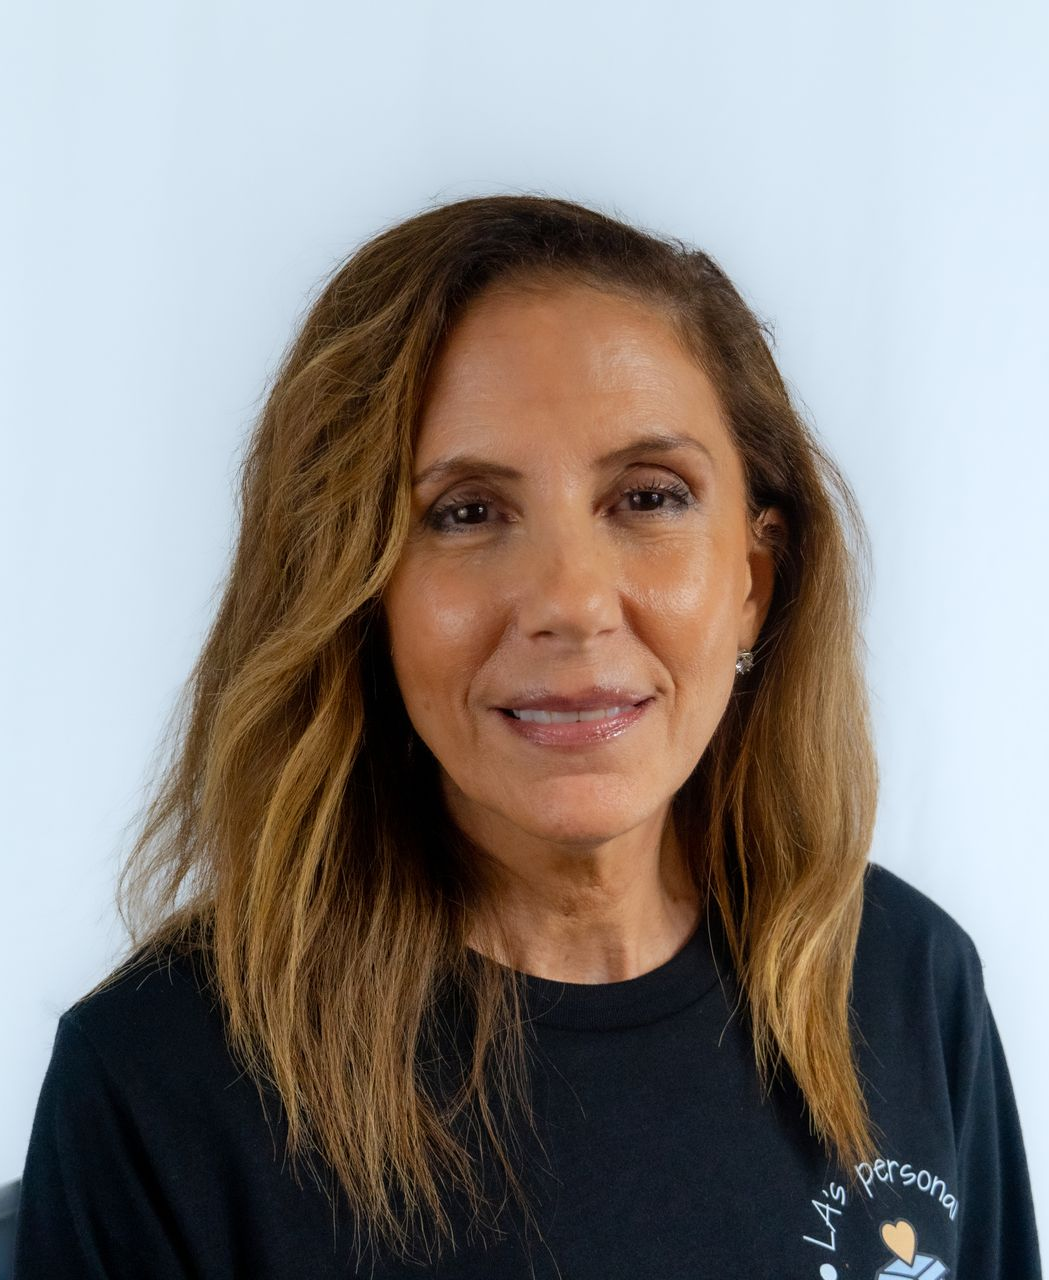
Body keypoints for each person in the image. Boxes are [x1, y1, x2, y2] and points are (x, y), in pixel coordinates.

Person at [14, 194, 1042, 1278]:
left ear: (751, 579)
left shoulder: (905, 980)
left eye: (647, 496)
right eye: (464, 511)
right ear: (355, 597)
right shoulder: (159, 1082)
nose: (570, 600)